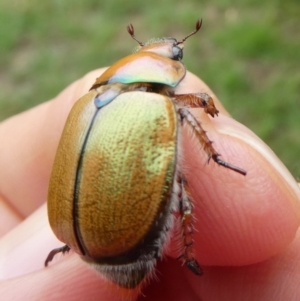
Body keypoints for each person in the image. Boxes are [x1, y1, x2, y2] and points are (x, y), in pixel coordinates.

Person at [0, 69, 299, 301]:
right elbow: (201, 105)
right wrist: (209, 119)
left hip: (88, 232)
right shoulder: (166, 105)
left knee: (179, 185)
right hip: (120, 236)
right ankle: (188, 251)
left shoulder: (87, 104)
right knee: (181, 187)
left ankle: (182, 250)